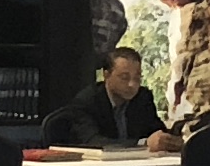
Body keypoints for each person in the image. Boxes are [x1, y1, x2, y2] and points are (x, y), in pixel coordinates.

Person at [44, 43, 173, 152]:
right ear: (106, 75)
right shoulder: (87, 101)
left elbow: (156, 132)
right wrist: (142, 144)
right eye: (124, 77)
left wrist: (170, 139)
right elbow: (93, 142)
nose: (132, 84)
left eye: (137, 78)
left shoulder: (142, 97)